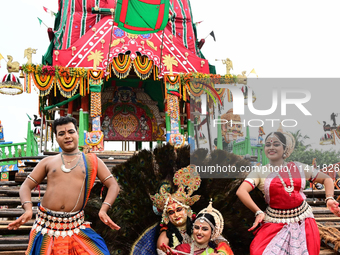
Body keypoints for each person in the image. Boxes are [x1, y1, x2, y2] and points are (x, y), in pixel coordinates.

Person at [8, 116, 120, 255]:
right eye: (61, 133)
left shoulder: (92, 161)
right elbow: (25, 186)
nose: (67, 136)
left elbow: (113, 185)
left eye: (71, 132)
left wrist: (104, 209)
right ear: (56, 137)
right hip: (46, 228)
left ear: (78, 133)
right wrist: (28, 209)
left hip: (76, 227)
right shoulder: (48, 161)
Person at [236, 131, 340, 255]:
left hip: (303, 222)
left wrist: (329, 199)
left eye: (276, 144)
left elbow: (326, 179)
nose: (271, 147)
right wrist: (258, 212)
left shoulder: (299, 168)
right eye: (268, 145)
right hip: (274, 222)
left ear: (285, 148)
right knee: (258, 251)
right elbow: (241, 191)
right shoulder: (259, 172)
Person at [151, 166, 233, 255]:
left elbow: (220, 241)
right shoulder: (165, 236)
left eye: (179, 209)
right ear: (167, 217)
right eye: (171, 212)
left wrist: (221, 253)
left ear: (187, 210)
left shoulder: (199, 224)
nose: (176, 214)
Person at [163, 201, 233, 255]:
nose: (199, 232)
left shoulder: (214, 252)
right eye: (196, 228)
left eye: (205, 229)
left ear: (212, 232)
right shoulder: (181, 249)